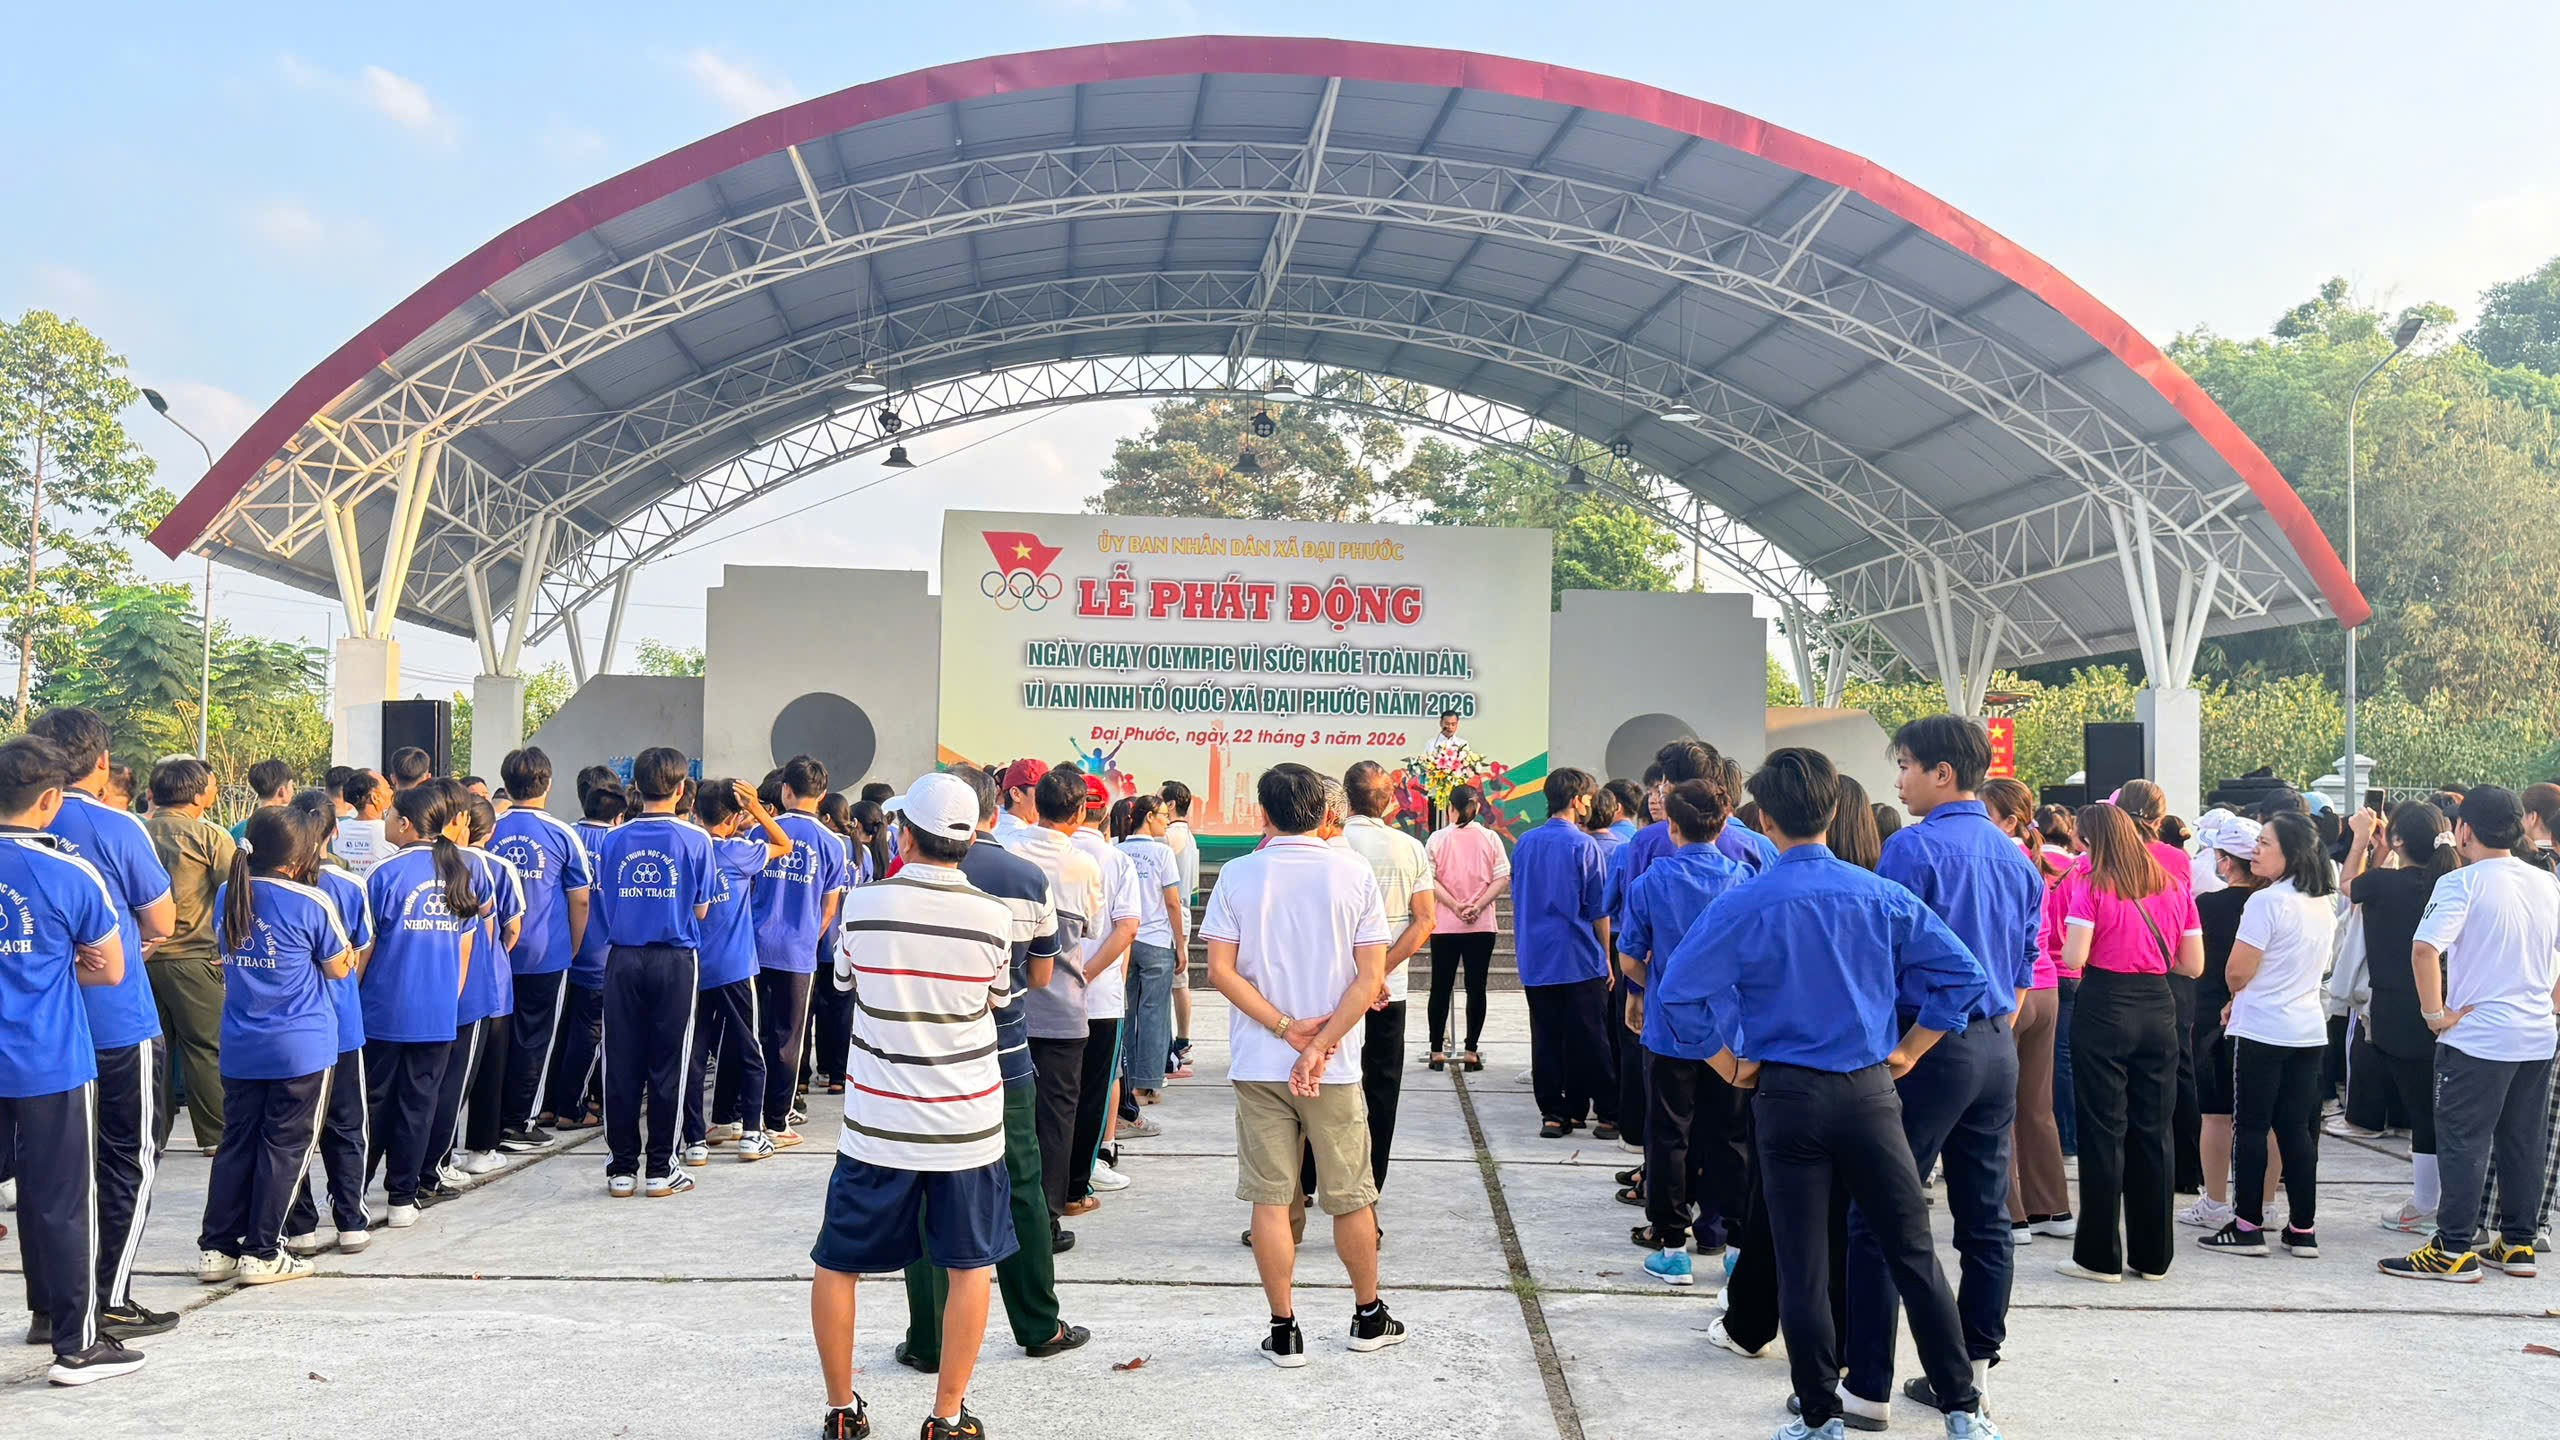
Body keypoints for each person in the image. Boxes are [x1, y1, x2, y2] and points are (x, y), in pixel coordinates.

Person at [1653, 747, 1998, 1440]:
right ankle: (1964, 1408)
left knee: (1802, 1264)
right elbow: (1964, 976)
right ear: (1835, 810)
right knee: (1913, 1252)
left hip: (1785, 1095)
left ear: (1765, 819)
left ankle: (1819, 1416)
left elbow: (1678, 992)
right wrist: (1911, 1048)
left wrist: (1728, 1065)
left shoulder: (1744, 901)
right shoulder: (1878, 893)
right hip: (1870, 1093)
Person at [808, 773, 1021, 1440]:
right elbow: (996, 1000)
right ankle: (947, 1416)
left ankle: (842, 1411)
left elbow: (846, 979)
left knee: (837, 1263)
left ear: (904, 836)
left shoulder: (864, 905)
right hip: (966, 1126)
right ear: (970, 840)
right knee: (970, 1267)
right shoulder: (995, 917)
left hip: (877, 1126)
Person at [1846, 716, 2035, 1424]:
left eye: (1905, 766)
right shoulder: (2017, 857)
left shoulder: (1912, 847)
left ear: (1942, 773)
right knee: (1984, 1214)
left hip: (1926, 1043)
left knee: (1880, 1213)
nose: (1899, 781)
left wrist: (1901, 1046)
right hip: (1995, 1044)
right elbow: (2025, 964)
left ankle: (1866, 1387)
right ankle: (1972, 1369)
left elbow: (1879, 955)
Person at [1200, 762, 1405, 1369]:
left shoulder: (1238, 874)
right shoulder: (1352, 871)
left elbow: (1220, 972)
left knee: (1270, 1198)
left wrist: (1287, 1031)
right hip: (1334, 1066)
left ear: (1262, 814)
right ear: (1324, 813)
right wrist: (1319, 1045)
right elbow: (1371, 977)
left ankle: (1284, 1329)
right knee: (1350, 1195)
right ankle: (1368, 1316)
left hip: (1260, 1061)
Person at [895, 766, 1090, 1375]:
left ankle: (929, 1339)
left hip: (923, 1063)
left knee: (927, 1192)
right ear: (991, 808)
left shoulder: (901, 876)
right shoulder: (1026, 877)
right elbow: (1041, 975)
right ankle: (1038, 1324)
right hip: (1004, 1056)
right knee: (1022, 1187)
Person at [28, 707, 177, 1342]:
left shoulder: (19, 827)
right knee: (129, 1157)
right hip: (117, 1021)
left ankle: (53, 1306)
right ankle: (108, 1297)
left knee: (52, 1171)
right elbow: (161, 921)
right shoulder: (115, 826)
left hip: (39, 1028)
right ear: (103, 761)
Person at [0, 734, 145, 1385]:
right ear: (50, 799)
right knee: (62, 1200)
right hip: (48, 1060)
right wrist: (56, 965)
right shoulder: (69, 872)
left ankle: (46, 1315)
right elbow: (110, 969)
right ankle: (77, 1343)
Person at [2383, 786, 2560, 1281]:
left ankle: (2453, 1246)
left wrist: (2434, 1014)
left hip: (2478, 1038)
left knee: (2463, 1140)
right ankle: (2518, 1243)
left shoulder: (2461, 882)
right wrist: (2550, 1004)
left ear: (2464, 830)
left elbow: (2424, 949)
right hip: (2536, 1035)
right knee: (2522, 1140)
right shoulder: (2546, 882)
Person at [195, 806, 355, 1287]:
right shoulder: (311, 900)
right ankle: (264, 1251)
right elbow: (338, 967)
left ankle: (218, 1249)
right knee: (286, 1149)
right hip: (300, 1046)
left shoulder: (228, 892)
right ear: (298, 857)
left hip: (242, 1042)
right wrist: (348, 955)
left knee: (236, 1144)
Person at [2051, 804, 2204, 1285]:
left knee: (2103, 1130)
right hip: (2158, 1005)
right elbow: (2193, 964)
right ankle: (2153, 1255)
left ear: (2093, 842)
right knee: (2153, 1131)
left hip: (2104, 1004)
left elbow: (2073, 956)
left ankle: (2099, 1256)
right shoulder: (2174, 885)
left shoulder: (2091, 885)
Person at [1616, 776, 1751, 1290]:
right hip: (1730, 1034)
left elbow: (1630, 957)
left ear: (1671, 825)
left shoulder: (1651, 882)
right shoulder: (1743, 878)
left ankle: (1672, 1246)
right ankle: (1736, 1247)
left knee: (1669, 1136)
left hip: (1670, 1029)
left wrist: (1651, 988)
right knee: (1731, 1137)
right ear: (1723, 823)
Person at [2198, 811, 2334, 1257]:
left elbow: (2237, 972)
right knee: (2296, 1130)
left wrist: (2236, 994)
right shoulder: (2322, 903)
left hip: (2262, 1028)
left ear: (2290, 852)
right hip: (2307, 1028)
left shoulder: (2266, 902)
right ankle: (2303, 1228)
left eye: (2265, 844)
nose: (2255, 851)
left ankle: (2247, 1225)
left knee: (2251, 1127)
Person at [591, 746, 719, 1197]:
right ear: (682, 789)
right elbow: (701, 909)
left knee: (621, 1060)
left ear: (636, 787)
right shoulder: (696, 840)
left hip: (623, 958)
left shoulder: (613, 839)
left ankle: (622, 1168)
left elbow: (607, 899)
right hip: (675, 959)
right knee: (671, 1062)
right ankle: (662, 1167)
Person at [360, 781, 485, 1226]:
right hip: (437, 1012)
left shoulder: (382, 874)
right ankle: (402, 1197)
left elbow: (365, 950)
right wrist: (446, 1001)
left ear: (406, 824)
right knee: (419, 1105)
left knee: (373, 1105)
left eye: (392, 815)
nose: (387, 822)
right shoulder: (461, 871)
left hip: (384, 1010)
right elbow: (465, 952)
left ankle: (353, 1193)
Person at [998, 762, 1104, 1251]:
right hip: (1063, 1009)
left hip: (1009, 1005)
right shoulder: (1084, 864)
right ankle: (1046, 1219)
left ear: (1035, 803)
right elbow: (1092, 928)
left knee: (1008, 1114)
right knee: (1057, 1118)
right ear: (1080, 813)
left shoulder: (1010, 852)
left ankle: (1002, 1212)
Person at [2346, 801, 2459, 1234]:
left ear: (2397, 840)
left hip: (2397, 1010)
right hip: (2452, 1005)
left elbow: (2347, 885)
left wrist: (2361, 839)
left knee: (2421, 1110)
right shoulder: (2453, 882)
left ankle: (2427, 1203)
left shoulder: (2381, 883)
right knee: (2450, 1109)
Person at [279, 790, 376, 1258]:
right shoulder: (349, 885)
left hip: (291, 1024)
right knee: (347, 1123)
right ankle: (351, 1218)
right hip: (339, 1021)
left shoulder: (273, 884)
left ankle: (300, 1225)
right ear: (335, 831)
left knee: (292, 1127)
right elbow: (362, 947)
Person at [681, 780, 792, 1167]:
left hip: (695, 968)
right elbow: (784, 845)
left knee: (694, 1053)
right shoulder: (739, 852)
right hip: (735, 968)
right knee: (749, 1049)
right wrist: (757, 809)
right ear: (732, 818)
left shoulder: (690, 850)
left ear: (695, 812)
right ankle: (751, 1134)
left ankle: (694, 1140)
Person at [1336, 760, 1436, 1190]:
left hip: (1333, 988)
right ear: (1391, 800)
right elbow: (1425, 920)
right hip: (1388, 990)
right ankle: (1370, 1180)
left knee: (1322, 1082)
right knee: (1381, 1086)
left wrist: (1363, 973)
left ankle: (1308, 1179)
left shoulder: (1331, 842)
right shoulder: (1410, 847)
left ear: (1345, 798)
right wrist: (1380, 971)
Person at [488, 747, 594, 1151]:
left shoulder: (490, 829)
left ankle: (489, 1123)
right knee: (536, 1040)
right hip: (545, 953)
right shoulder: (562, 833)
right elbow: (579, 899)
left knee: (495, 1039)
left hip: (494, 952)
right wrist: (573, 947)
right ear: (548, 784)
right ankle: (520, 1122)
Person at [742, 756, 850, 1148]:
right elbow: (829, 908)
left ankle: (743, 1115)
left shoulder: (760, 832)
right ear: (822, 795)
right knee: (788, 1040)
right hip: (798, 954)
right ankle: (776, 1120)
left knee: (751, 1032)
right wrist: (807, 936)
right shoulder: (833, 844)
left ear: (785, 790)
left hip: (753, 949)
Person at [1512, 768, 1615, 1140]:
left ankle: (1555, 1114)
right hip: (1577, 955)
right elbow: (1598, 908)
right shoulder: (1584, 845)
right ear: (1576, 800)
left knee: (1546, 1038)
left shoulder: (1525, 843)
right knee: (1591, 1037)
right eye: (1587, 797)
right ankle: (1607, 1112)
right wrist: (1606, 956)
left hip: (1536, 955)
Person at [143, 757, 237, 1156]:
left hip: (141, 958)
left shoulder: (136, 832)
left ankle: (151, 1136)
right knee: (206, 1048)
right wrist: (231, 950)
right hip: (194, 957)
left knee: (153, 1053)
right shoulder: (210, 836)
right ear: (198, 796)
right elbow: (236, 895)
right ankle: (216, 1135)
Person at [430, 794, 522, 1185]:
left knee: (443, 1075)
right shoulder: (491, 865)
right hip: (486, 986)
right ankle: (479, 1150)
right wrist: (491, 956)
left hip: (441, 984)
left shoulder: (429, 861)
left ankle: (439, 1153)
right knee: (481, 1072)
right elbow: (509, 927)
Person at [2178, 812, 2263, 1231]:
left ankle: (2214, 1200)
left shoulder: (2208, 905)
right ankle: (2264, 1203)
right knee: (2264, 1117)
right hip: (2264, 1015)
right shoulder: (2274, 902)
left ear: (2226, 861)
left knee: (2215, 1114)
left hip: (2213, 1010)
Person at [1065, 775, 1141, 1202]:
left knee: (1055, 1091)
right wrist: (1088, 974)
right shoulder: (1116, 861)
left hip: (1048, 994)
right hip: (1099, 997)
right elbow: (1126, 928)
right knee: (1094, 1090)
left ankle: (1052, 1176)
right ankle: (1083, 1175)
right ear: (1106, 814)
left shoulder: (1054, 854)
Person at [542, 778, 624, 1131]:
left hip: (562, 951)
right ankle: (572, 1107)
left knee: (558, 1032)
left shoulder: (569, 835)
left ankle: (546, 1105)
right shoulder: (619, 842)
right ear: (618, 816)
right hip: (601, 955)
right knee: (589, 1034)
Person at [1424, 783, 1509, 1072]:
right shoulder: (1490, 838)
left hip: (1445, 925)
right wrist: (1478, 905)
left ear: (1452, 808)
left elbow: (1429, 879)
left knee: (1440, 987)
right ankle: (1471, 1051)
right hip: (1481, 925)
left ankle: (1437, 1051)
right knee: (1477, 987)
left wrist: (1455, 906)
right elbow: (1502, 877)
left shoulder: (1437, 838)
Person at [1111, 794, 1187, 1112]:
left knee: (1125, 1012)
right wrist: (1181, 943)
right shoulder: (1162, 852)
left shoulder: (1116, 849)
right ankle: (1149, 1083)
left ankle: (1125, 1080)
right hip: (1156, 941)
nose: (1167, 821)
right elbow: (1172, 902)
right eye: (1163, 815)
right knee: (1154, 1013)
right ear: (1149, 817)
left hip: (1123, 941)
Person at [1158, 780, 1202, 1078]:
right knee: (1178, 982)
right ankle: (1182, 1040)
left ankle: (1181, 1042)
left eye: (1160, 801)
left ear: (1171, 804)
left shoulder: (1171, 835)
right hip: (1178, 911)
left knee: (1176, 981)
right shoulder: (1186, 834)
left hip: (1173, 911)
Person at [334, 770, 392, 874]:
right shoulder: (390, 831)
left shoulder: (337, 829)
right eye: (388, 788)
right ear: (375, 797)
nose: (391, 792)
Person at [227, 759, 295, 841]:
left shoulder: (236, 831)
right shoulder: (291, 831)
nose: (293, 790)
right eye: (291, 785)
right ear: (282, 791)